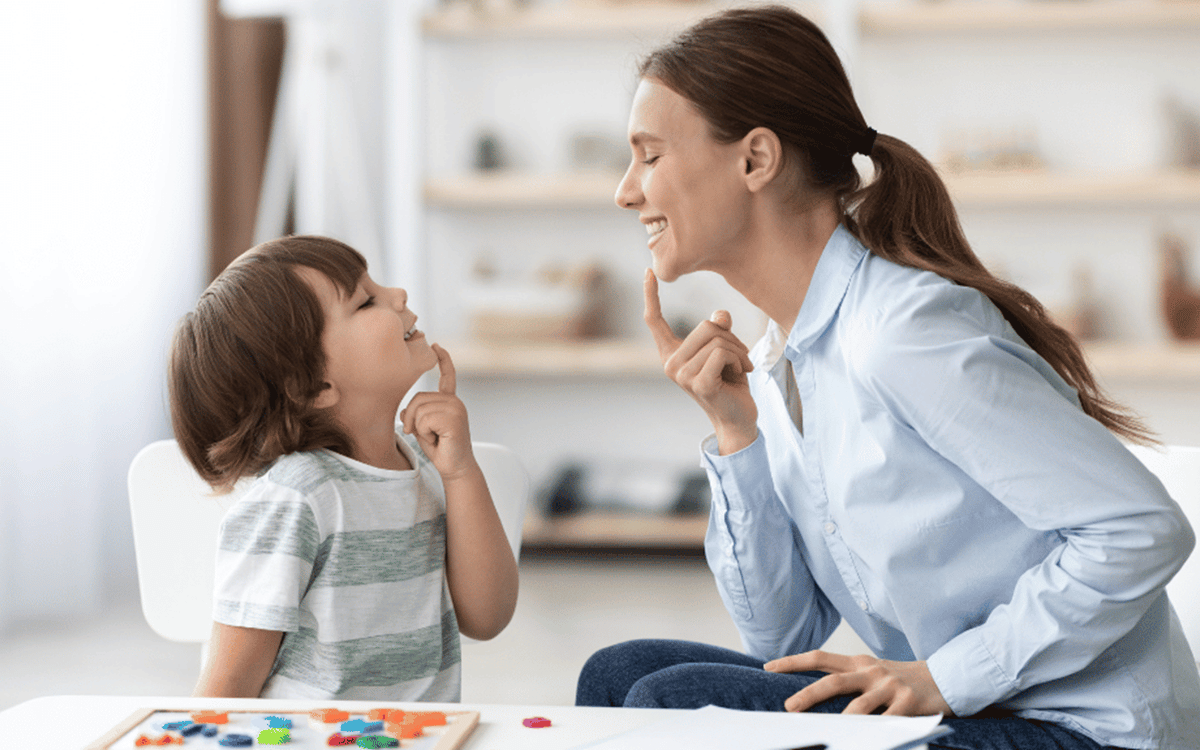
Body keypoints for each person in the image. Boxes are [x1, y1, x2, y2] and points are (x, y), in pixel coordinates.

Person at [575, 6, 1200, 749]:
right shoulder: (784, 357)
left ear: (755, 160)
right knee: (619, 676)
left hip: (1083, 730)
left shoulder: (904, 332)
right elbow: (783, 633)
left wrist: (943, 676)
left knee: (669, 701)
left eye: (649, 156)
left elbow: (1141, 530)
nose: (625, 191)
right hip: (976, 712)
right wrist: (736, 434)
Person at [168, 235, 518, 701]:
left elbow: (487, 618)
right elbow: (226, 690)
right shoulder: (296, 498)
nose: (398, 297)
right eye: (366, 301)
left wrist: (460, 474)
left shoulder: (423, 469)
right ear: (314, 386)